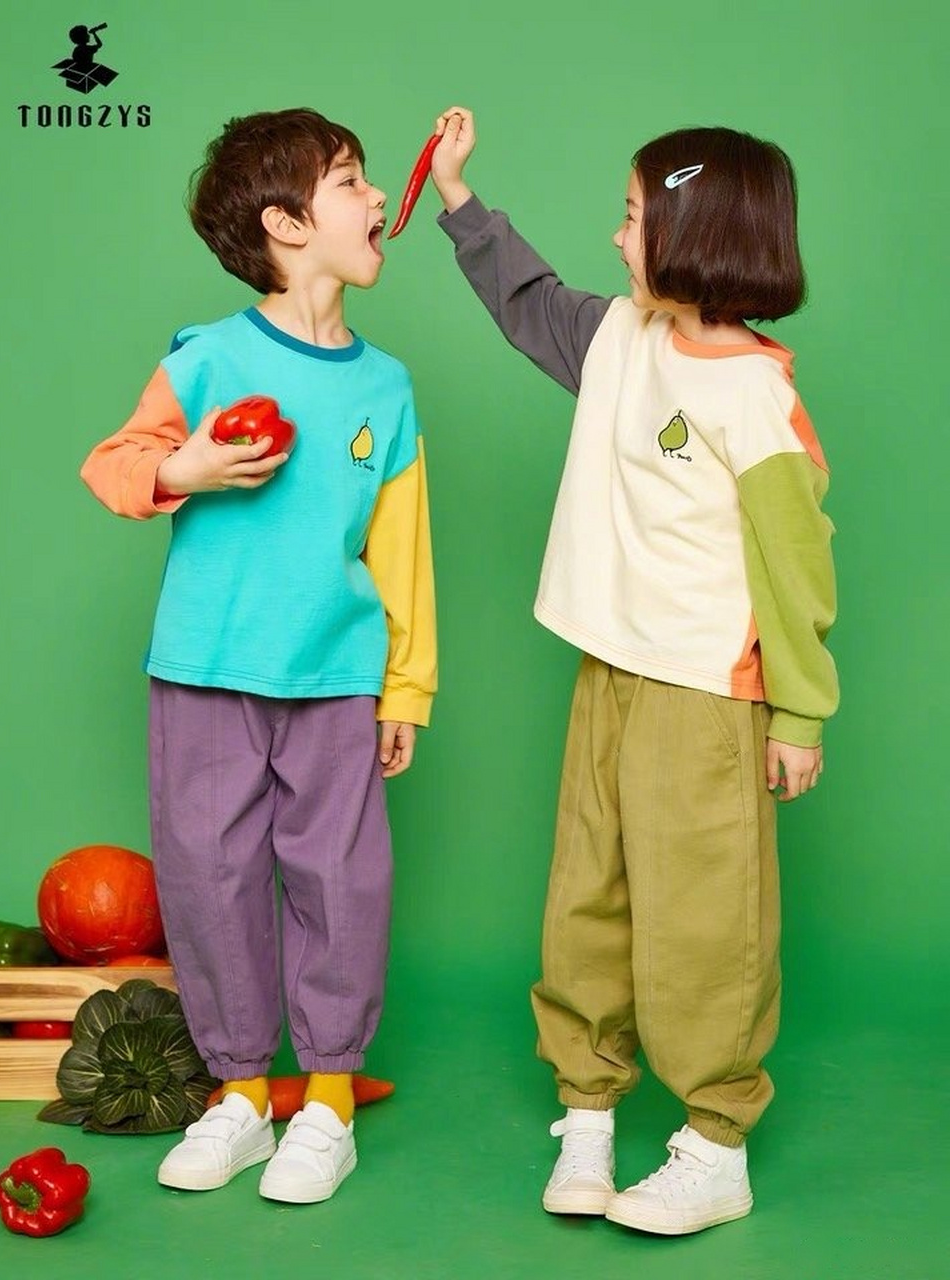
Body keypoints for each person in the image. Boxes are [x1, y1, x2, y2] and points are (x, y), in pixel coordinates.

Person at [429, 107, 837, 1236]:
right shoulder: (617, 336)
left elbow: (797, 566)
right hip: (605, 668)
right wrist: (460, 198)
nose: (616, 237)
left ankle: (715, 1142)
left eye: (632, 216)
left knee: (704, 918)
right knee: (587, 899)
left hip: (703, 692)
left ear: (694, 233)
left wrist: (799, 712)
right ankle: (589, 1106)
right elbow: (525, 300)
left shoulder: (754, 393)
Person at [81, 108, 436, 1205]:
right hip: (202, 670)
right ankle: (240, 1093)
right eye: (352, 182)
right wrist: (181, 468)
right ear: (287, 224)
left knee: (342, 880)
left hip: (334, 677)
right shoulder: (207, 358)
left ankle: (326, 1104)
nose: (377, 198)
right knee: (211, 874)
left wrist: (406, 687)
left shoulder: (386, 387)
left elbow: (403, 549)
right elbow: (113, 463)